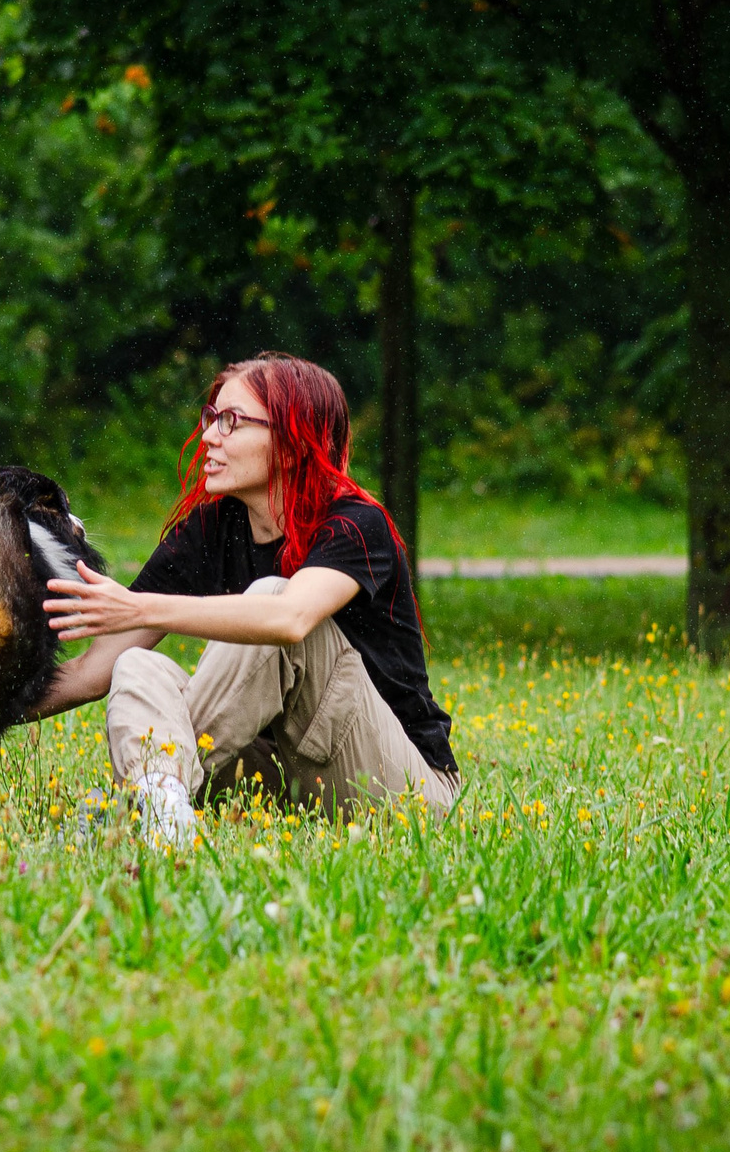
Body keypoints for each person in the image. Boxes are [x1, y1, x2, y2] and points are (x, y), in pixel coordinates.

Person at [32, 352, 458, 841]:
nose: (210, 436)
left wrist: (140, 606)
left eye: (232, 422)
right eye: (212, 418)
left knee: (271, 596)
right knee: (136, 666)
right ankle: (161, 810)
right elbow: (92, 671)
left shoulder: (357, 525)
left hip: (404, 793)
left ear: (293, 444)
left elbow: (290, 617)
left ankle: (135, 804)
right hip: (282, 779)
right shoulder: (212, 529)